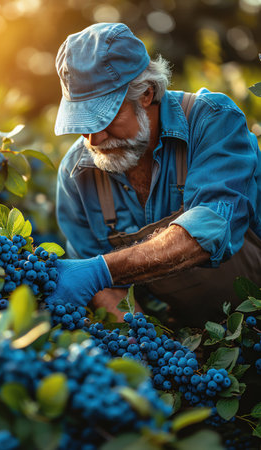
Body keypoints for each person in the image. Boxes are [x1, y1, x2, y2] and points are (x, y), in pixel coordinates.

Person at [51, 22, 261, 326]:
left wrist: (100, 269)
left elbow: (209, 229)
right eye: (82, 123)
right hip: (193, 341)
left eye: (105, 118)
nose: (93, 139)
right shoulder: (77, 174)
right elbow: (108, 292)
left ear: (147, 94)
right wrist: (153, 347)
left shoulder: (212, 121)